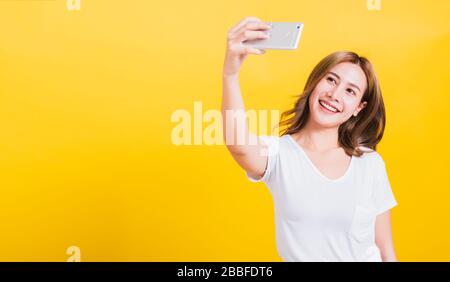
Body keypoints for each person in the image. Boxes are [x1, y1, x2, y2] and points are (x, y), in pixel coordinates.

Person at [222, 17, 398, 262]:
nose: (334, 94)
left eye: (350, 91)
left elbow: (385, 248)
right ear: (315, 83)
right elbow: (238, 144)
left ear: (359, 107)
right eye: (331, 80)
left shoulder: (370, 162)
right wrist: (231, 74)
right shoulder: (280, 154)